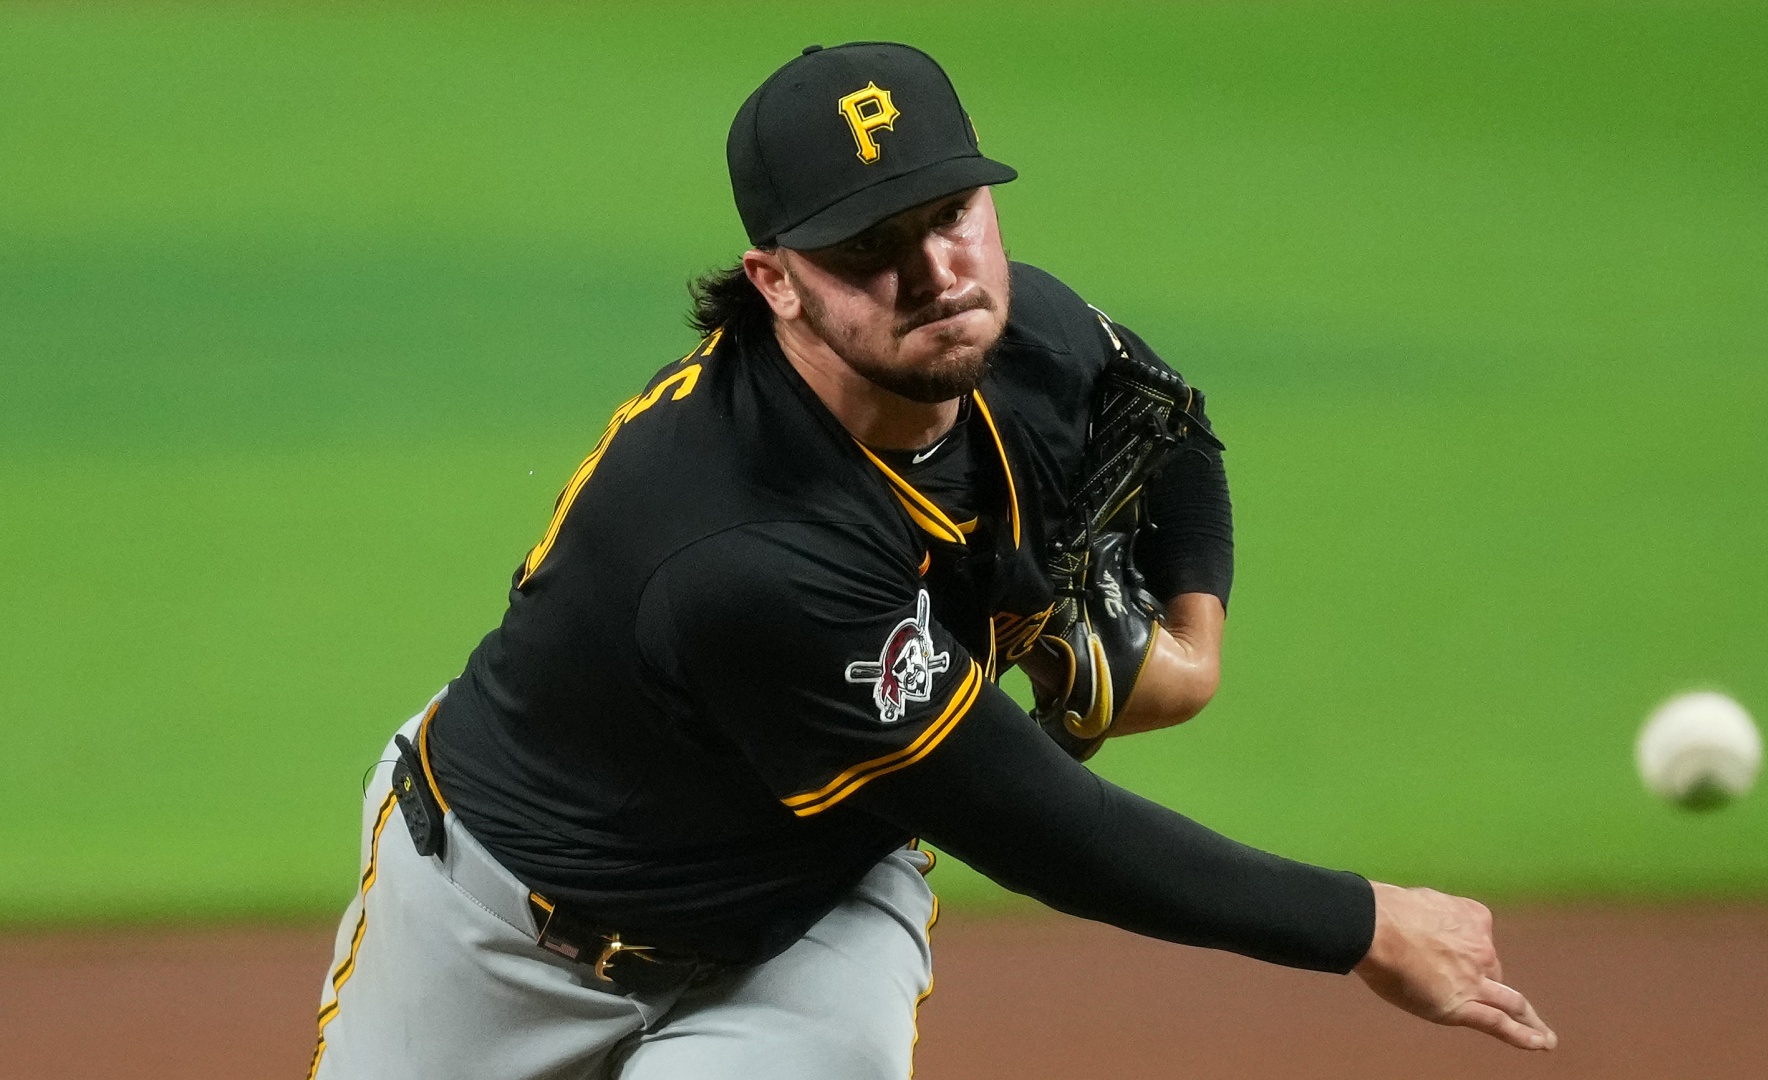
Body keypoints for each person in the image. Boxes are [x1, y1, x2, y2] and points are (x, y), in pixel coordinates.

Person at [307, 41, 1555, 1080]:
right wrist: (1361, 922)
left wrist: (1195, 645)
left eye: (951, 213)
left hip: (805, 931)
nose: (937, 273)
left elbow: (1173, 432)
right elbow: (1042, 825)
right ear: (776, 283)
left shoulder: (1028, 339)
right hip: (493, 939)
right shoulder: (746, 549)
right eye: (869, 248)